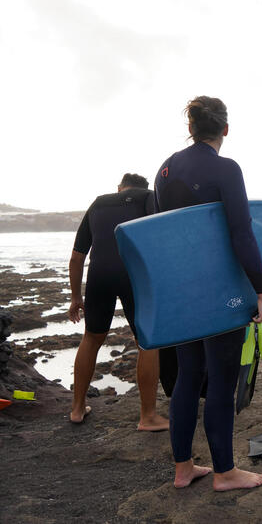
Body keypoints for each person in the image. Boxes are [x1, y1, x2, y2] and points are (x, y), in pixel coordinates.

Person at [155, 96, 262, 491]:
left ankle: (183, 469)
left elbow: (161, 235)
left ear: (191, 129)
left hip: (181, 293)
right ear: (225, 129)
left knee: (189, 374)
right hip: (219, 292)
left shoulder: (165, 170)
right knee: (221, 379)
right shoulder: (225, 169)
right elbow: (242, 233)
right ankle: (224, 472)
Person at [68, 173, 169, 431]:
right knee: (147, 341)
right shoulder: (150, 198)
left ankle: (77, 409)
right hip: (133, 275)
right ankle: (147, 417)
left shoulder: (98, 203)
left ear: (119, 187)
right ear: (143, 188)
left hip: (99, 276)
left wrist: (76, 298)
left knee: (91, 338)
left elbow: (77, 257)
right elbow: (162, 242)